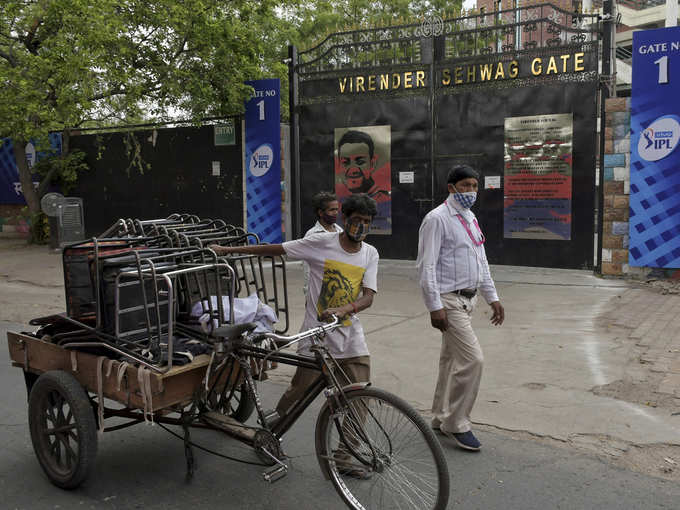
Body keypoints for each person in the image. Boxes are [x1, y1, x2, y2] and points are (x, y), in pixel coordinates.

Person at [209, 193, 379, 428]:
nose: (362, 226)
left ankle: (345, 460)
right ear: (345, 217)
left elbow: (368, 297)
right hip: (316, 337)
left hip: (352, 339)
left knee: (359, 400)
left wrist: (346, 308)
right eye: (357, 219)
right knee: (298, 393)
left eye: (367, 221)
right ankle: (272, 429)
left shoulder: (370, 253)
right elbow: (276, 249)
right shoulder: (320, 241)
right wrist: (227, 251)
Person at [416, 165, 505, 452]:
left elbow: (482, 260)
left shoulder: (470, 217)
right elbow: (426, 265)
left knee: (451, 361)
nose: (471, 191)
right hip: (448, 301)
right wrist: (434, 306)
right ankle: (457, 423)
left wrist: (492, 297)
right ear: (451, 187)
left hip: (469, 299)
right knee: (473, 360)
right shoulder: (437, 220)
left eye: (475, 186)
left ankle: (441, 417)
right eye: (465, 185)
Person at [302, 192, 343, 299]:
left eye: (336, 209)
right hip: (319, 293)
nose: (336, 213)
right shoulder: (313, 235)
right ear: (321, 212)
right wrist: (309, 293)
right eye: (332, 210)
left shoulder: (340, 231)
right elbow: (307, 268)